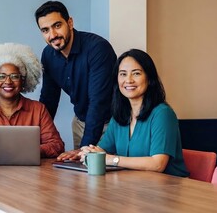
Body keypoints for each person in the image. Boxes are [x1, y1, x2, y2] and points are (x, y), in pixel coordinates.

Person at [79, 49, 189, 177]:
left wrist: (112, 160)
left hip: (169, 189)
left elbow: (158, 164)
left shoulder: (163, 114)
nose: (128, 80)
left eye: (136, 73)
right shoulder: (120, 114)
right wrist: (90, 153)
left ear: (149, 78)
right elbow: (103, 151)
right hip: (134, 187)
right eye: (123, 74)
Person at [35, 0, 117, 160]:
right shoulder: (48, 55)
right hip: (80, 122)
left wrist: (85, 148)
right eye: (45, 30)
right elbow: (49, 99)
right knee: (81, 178)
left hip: (111, 125)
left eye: (57, 26)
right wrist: (35, 138)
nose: (52, 35)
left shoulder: (97, 48)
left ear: (70, 23)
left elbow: (98, 102)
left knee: (107, 179)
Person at [0, 43, 65, 158]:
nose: (8, 81)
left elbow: (57, 145)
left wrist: (29, 150)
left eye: (14, 76)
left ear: (23, 80)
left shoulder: (38, 110)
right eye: (1, 76)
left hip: (27, 173)